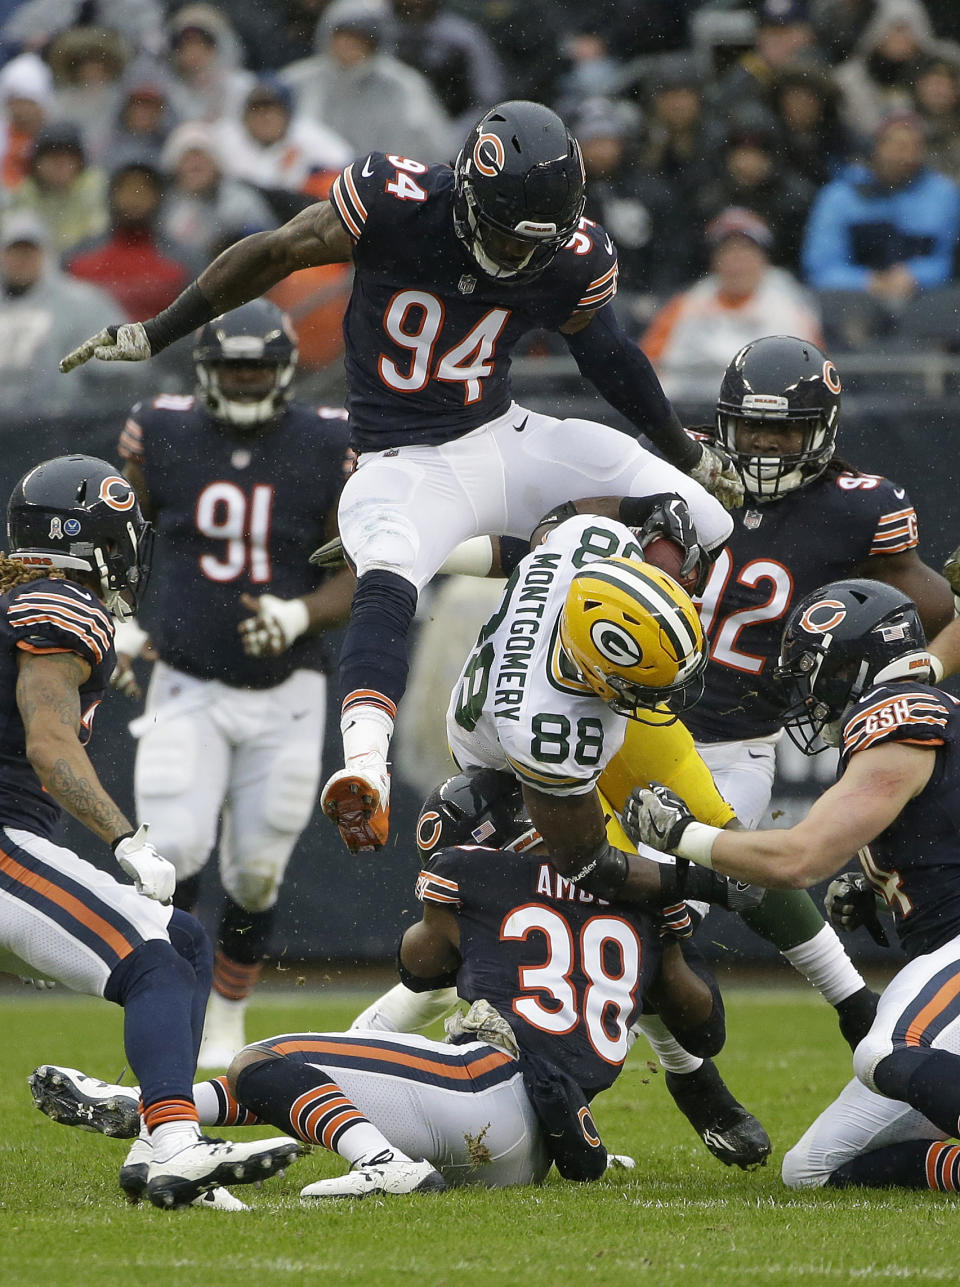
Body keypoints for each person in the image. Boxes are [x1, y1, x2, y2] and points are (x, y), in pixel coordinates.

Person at [57, 99, 743, 857]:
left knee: (704, 517)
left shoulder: (572, 252)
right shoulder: (396, 202)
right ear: (473, 197)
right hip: (402, 463)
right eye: (509, 235)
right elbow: (279, 251)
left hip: (502, 436)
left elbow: (608, 354)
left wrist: (686, 452)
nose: (520, 258)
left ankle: (618, 676)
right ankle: (364, 770)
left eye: (535, 242)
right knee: (385, 579)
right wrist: (157, 331)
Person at [31, 767, 748, 1197]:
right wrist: (672, 935)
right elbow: (703, 1027)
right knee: (315, 1087)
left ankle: (380, 1163)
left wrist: (448, 909)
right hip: (535, 1143)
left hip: (484, 1083)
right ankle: (158, 1111)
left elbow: (419, 964)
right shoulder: (641, 894)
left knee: (264, 1062)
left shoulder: (482, 873)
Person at [355, 501, 772, 1168]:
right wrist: (701, 882)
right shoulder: (551, 728)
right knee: (613, 920)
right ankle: (693, 1079)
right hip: (513, 776)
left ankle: (831, 1007)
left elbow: (544, 532)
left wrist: (431, 548)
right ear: (602, 668)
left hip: (577, 719)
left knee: (730, 845)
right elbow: (590, 863)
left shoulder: (589, 544)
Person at [0, 454, 301, 1210]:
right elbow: (49, 742)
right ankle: (176, 1136)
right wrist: (124, 837)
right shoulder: (60, 608)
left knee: (185, 940)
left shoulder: (24, 600)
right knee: (152, 956)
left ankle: (154, 1149)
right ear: (94, 541)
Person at [625, 577, 960, 1193]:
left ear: (858, 664)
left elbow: (798, 859)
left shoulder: (903, 714)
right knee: (814, 1170)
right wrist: (880, 882)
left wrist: (683, 835)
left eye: (816, 669)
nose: (806, 689)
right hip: (945, 951)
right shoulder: (924, 715)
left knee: (884, 1050)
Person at [680, 334, 953, 1047]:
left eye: (785, 429)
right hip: (632, 720)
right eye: (753, 426)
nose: (766, 446)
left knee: (654, 917)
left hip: (735, 740)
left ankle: (693, 1077)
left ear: (823, 432)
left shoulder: (855, 509)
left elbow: (944, 612)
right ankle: (852, 1007)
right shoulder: (678, 465)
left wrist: (925, 667)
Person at [112, 298, 355, 1067]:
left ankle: (227, 1008)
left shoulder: (328, 442)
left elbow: (358, 569)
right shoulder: (163, 430)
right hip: (186, 682)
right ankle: (174, 1001)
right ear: (206, 371)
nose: (246, 382)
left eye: (259, 368)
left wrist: (298, 614)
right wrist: (111, 615)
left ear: (284, 371)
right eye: (233, 368)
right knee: (170, 851)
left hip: (286, 689)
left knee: (254, 870)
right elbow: (119, 533)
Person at [641, 210, 822, 405]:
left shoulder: (791, 310)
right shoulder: (684, 307)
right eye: (728, 251)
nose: (737, 261)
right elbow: (648, 371)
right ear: (714, 260)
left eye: (746, 251)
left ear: (763, 258)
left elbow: (815, 380)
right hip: (687, 412)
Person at [802, 109, 960, 305]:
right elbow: (820, 267)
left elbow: (947, 260)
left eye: (915, 147)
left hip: (923, 298)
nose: (906, 156)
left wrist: (914, 275)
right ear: (877, 147)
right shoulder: (839, 196)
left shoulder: (944, 194)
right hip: (853, 299)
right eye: (898, 146)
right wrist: (868, 281)